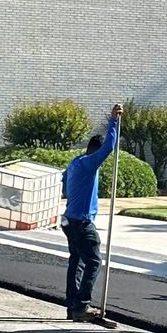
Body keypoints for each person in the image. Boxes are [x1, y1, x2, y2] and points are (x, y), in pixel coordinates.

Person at [61, 101, 123, 320]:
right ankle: (82, 305)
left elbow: (64, 183)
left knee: (76, 261)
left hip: (69, 219)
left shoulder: (75, 163)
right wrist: (114, 121)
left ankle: (73, 306)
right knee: (94, 262)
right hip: (81, 222)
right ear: (94, 153)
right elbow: (108, 148)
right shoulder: (89, 164)